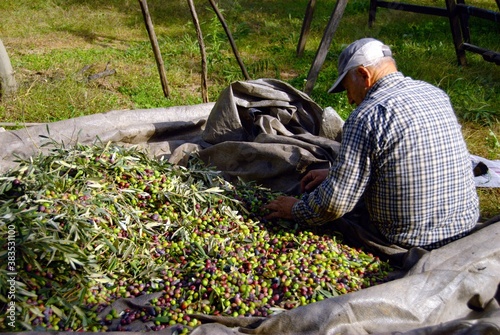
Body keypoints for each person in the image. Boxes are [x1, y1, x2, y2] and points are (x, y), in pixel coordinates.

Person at [264, 37, 479, 264]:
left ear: (364, 75)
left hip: (413, 238)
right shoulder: (435, 94)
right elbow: (404, 158)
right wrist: (336, 173)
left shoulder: (367, 116)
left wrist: (296, 210)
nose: (349, 100)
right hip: (464, 225)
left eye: (348, 89)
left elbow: (335, 204)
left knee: (340, 218)